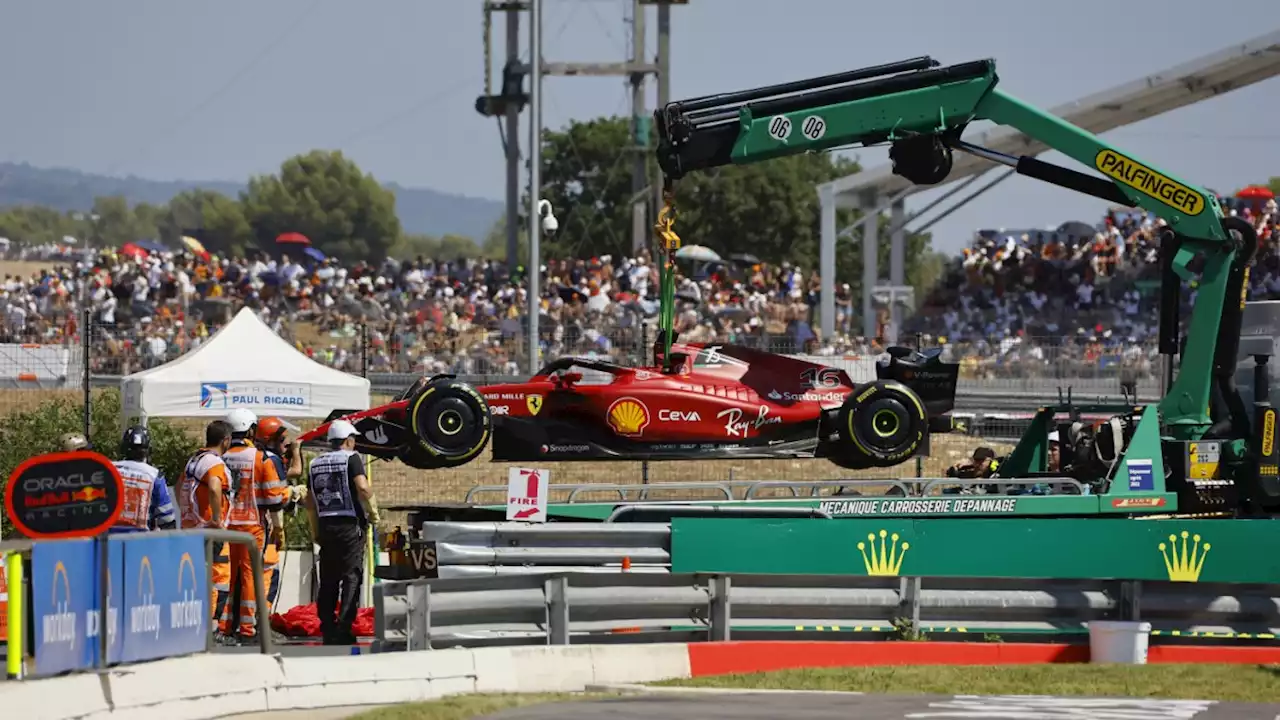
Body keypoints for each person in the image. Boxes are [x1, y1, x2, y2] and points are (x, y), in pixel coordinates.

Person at [304, 419, 380, 645]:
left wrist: (315, 529)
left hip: (326, 526)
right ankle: (344, 627)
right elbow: (363, 487)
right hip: (349, 526)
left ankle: (327, 626)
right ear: (348, 440)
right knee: (351, 577)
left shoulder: (315, 463)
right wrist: (373, 512)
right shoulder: (352, 458)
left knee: (328, 578)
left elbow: (310, 501)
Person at [219, 408, 288, 643]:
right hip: (252, 526)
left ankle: (226, 625)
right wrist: (278, 528)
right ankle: (247, 629)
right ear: (251, 429)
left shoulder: (221, 457)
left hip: (227, 525)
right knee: (249, 576)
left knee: (230, 576)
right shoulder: (260, 458)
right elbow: (274, 499)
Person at [178, 420, 234, 625]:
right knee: (218, 579)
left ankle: (193, 623)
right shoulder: (214, 463)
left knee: (195, 576)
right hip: (211, 531)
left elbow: (178, 487)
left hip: (191, 528)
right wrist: (217, 519)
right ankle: (211, 628)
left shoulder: (193, 460)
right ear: (226, 440)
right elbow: (214, 487)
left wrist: (187, 516)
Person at [254, 416, 303, 609]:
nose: (286, 445)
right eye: (283, 441)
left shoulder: (257, 456)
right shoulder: (272, 460)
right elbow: (295, 472)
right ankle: (263, 620)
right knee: (269, 574)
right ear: (271, 441)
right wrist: (297, 451)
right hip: (266, 524)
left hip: (252, 523)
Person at [110, 425, 177, 533]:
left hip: (107, 542)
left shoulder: (107, 469)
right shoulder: (154, 475)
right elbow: (166, 518)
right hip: (140, 542)